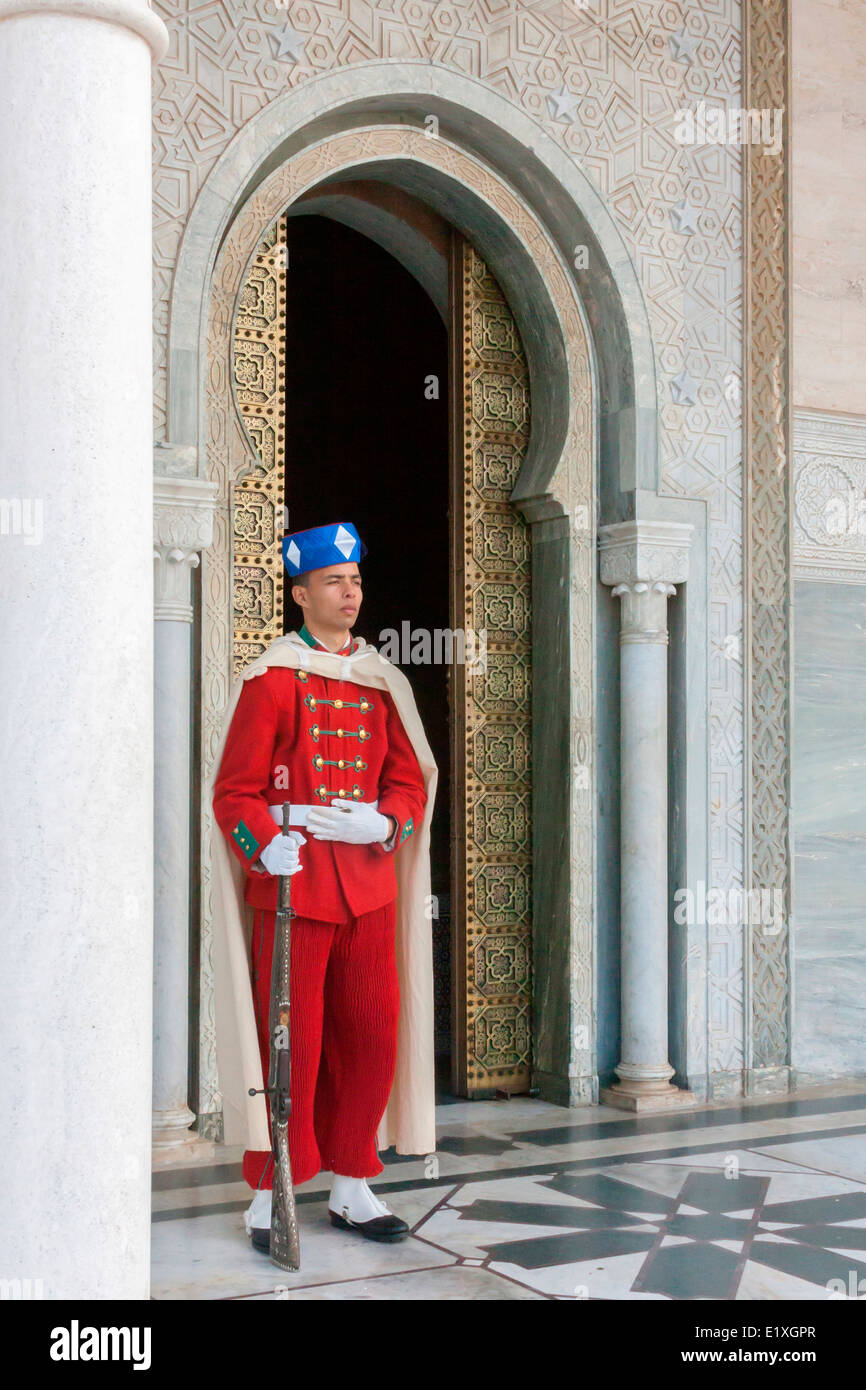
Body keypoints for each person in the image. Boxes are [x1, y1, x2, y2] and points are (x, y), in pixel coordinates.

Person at [210, 521, 436, 1251]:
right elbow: (232, 792)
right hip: (295, 889)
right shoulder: (272, 678)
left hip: (368, 889)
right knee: (292, 1044)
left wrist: (384, 825)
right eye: (335, 582)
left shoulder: (381, 680)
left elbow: (409, 781)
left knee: (370, 1035)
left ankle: (352, 1183)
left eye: (357, 580)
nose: (351, 592)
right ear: (301, 592)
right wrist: (264, 841)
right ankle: (270, 1184)